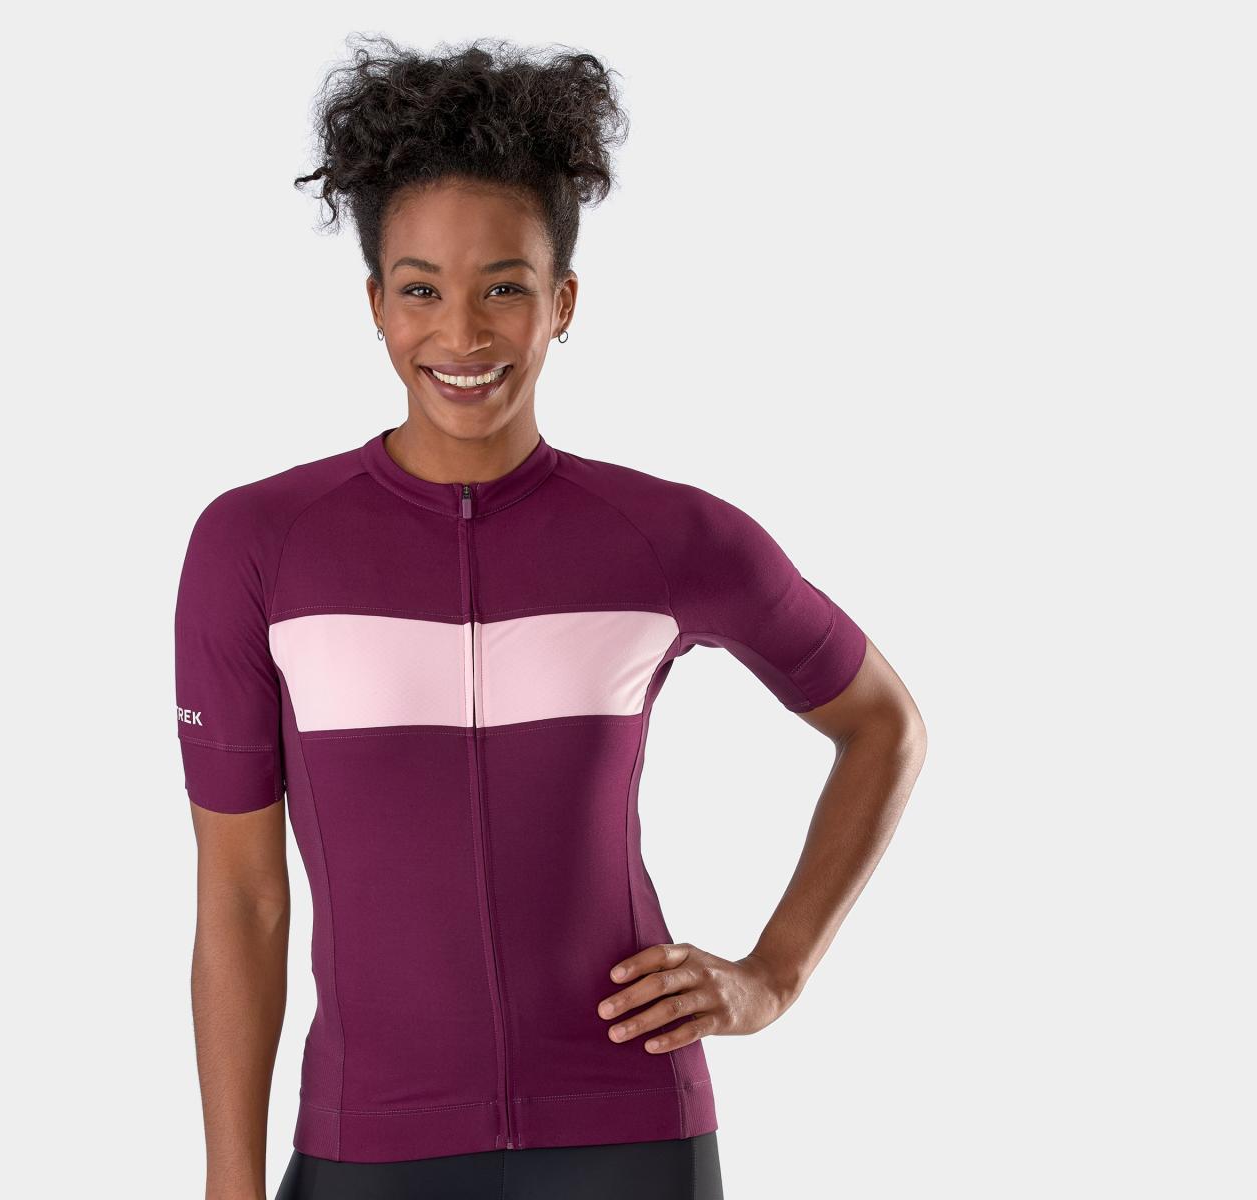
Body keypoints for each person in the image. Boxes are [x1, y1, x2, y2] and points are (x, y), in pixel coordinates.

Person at [175, 36, 927, 1200]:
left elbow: (884, 725)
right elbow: (241, 899)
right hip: (371, 1146)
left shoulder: (670, 537)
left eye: (504, 288)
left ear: (561, 301)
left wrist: (772, 975)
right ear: (374, 305)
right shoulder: (258, 545)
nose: (461, 336)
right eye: (419, 289)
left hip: (628, 1134)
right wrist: (229, 1188)